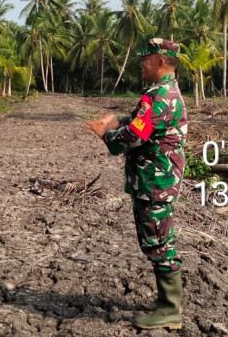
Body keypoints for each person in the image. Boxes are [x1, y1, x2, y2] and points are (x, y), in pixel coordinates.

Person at [88, 37, 187, 330]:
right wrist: (116, 121)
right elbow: (137, 123)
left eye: (145, 59)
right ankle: (165, 302)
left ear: (160, 61)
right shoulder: (162, 93)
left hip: (156, 182)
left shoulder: (158, 97)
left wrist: (107, 135)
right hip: (155, 180)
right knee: (155, 239)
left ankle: (170, 309)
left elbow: (134, 136)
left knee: (159, 242)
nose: (141, 64)